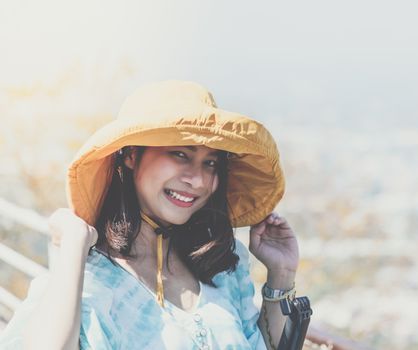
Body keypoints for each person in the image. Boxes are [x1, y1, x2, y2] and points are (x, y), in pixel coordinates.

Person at [0, 80, 299, 349]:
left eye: (211, 164)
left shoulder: (221, 266)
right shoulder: (90, 278)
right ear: (132, 155)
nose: (197, 180)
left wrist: (282, 274)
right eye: (180, 154)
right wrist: (73, 243)